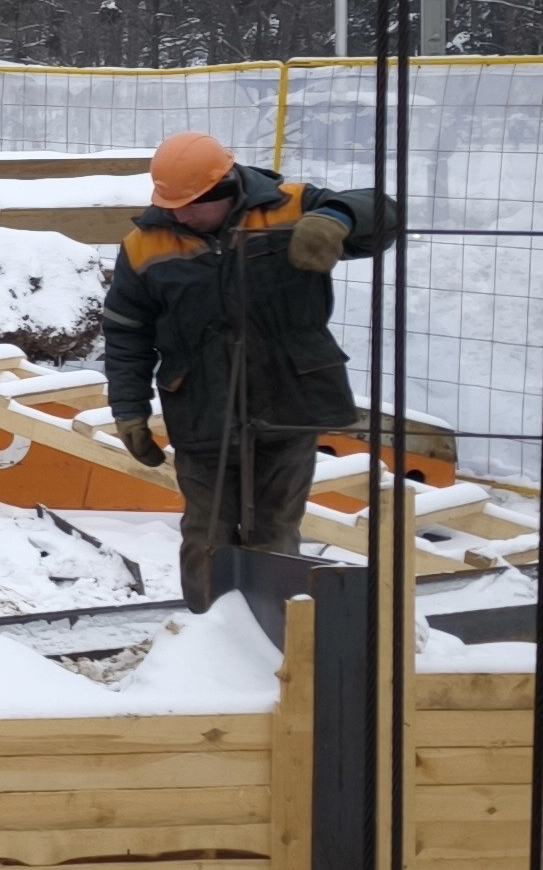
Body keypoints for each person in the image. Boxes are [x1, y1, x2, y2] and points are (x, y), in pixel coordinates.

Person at [99, 130, 402, 610]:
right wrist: (129, 409)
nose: (178, 213)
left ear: (225, 188)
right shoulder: (144, 246)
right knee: (206, 536)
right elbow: (126, 334)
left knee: (274, 533)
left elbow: (384, 211)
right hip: (201, 412)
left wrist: (335, 218)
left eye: (190, 204)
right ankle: (206, 638)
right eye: (170, 204)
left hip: (287, 406)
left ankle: (275, 640)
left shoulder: (291, 208)